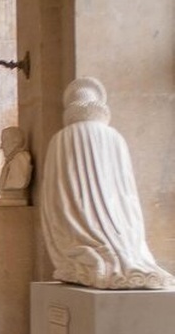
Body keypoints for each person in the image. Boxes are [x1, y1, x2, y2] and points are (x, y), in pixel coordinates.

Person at [40, 77, 173, 289]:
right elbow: (126, 192)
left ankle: (104, 255)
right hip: (121, 228)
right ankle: (122, 251)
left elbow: (54, 194)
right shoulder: (115, 137)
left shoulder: (61, 139)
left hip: (74, 225)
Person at [0, 126, 33, 205]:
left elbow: (18, 182)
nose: (1, 147)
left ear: (15, 142)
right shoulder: (11, 161)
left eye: (4, 141)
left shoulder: (21, 160)